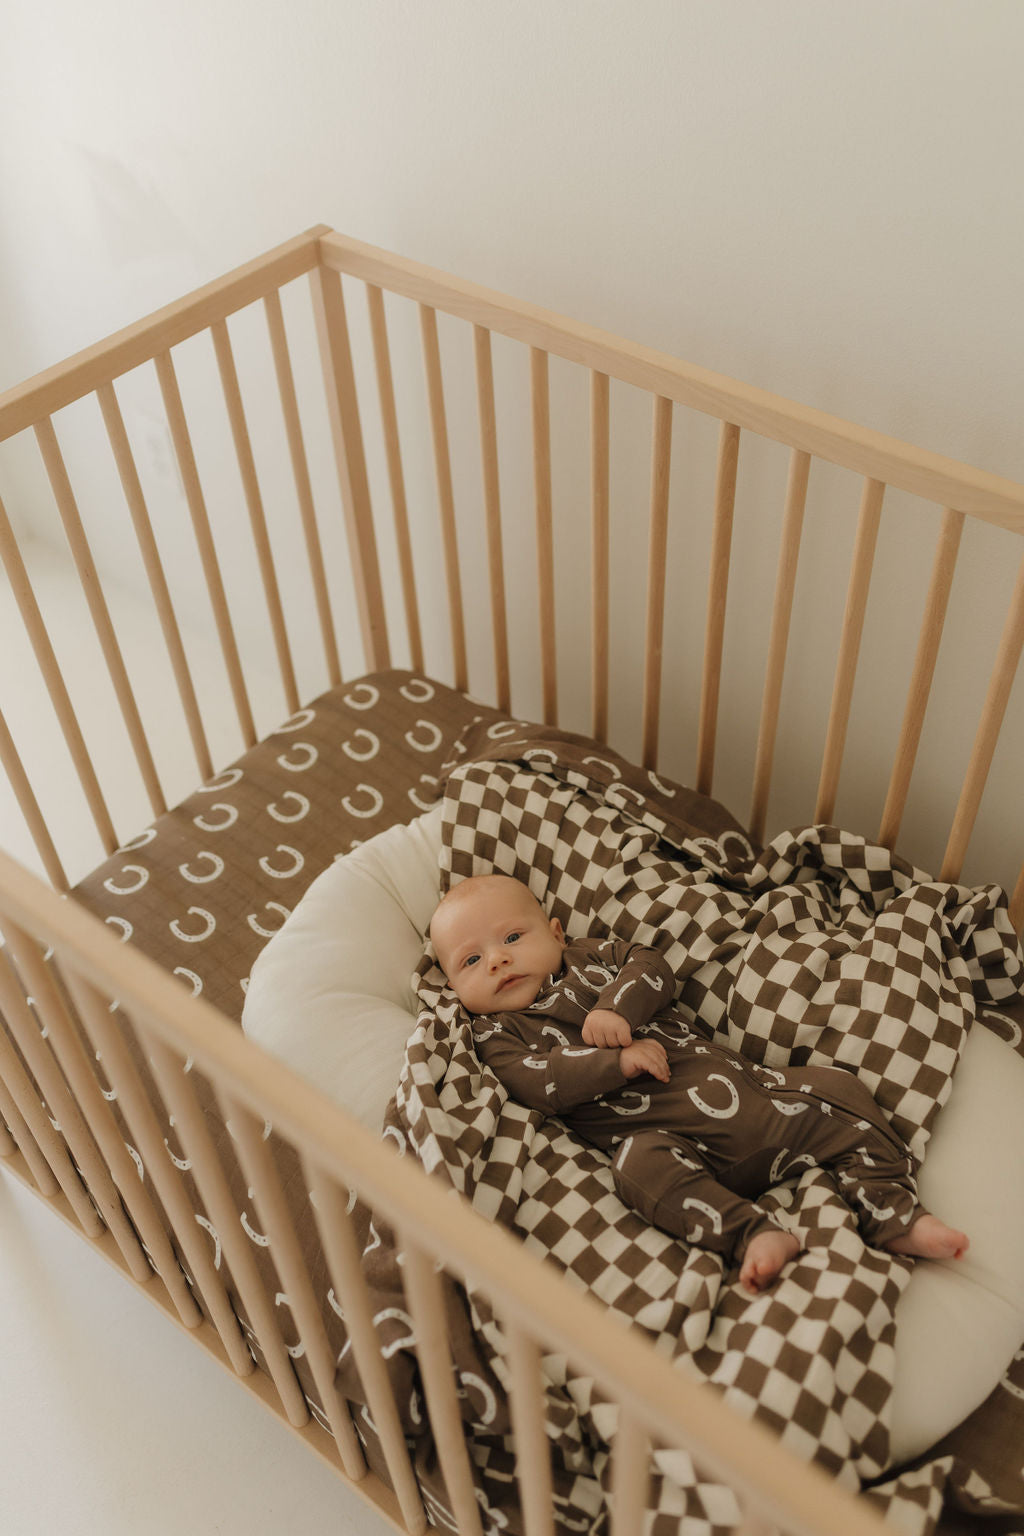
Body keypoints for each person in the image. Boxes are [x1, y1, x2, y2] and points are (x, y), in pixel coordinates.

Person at [429, 873, 969, 1295]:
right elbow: (538, 1082)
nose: (497, 959)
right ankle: (751, 1232)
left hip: (761, 1099)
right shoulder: (496, 1033)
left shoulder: (589, 960)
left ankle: (890, 1210)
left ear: (555, 933)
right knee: (637, 1170)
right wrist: (612, 1063)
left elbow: (653, 967)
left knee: (838, 1089)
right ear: (454, 986)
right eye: (472, 960)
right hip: (674, 1145)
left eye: (513, 937)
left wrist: (617, 1008)